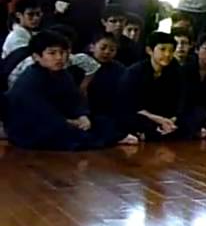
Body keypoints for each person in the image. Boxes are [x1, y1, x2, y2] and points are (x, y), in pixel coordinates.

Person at [5, 31, 135, 150]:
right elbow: (40, 112)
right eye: (52, 53)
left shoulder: (63, 74)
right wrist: (70, 122)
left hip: (62, 119)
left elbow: (74, 99)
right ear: (36, 57)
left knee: (103, 121)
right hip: (32, 126)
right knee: (62, 133)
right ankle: (110, 139)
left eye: (62, 52)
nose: (59, 57)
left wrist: (82, 116)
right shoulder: (30, 79)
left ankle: (112, 137)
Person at [120, 31, 206, 140]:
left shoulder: (176, 69)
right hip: (145, 115)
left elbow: (181, 98)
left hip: (167, 115)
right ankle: (170, 132)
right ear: (149, 50)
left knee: (199, 113)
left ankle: (155, 133)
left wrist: (173, 118)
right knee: (126, 118)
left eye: (171, 51)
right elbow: (131, 105)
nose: (167, 54)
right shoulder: (134, 72)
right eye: (163, 49)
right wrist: (158, 119)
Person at [86, 33, 125, 119]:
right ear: (92, 47)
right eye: (103, 48)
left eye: (112, 50)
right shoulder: (81, 64)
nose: (107, 52)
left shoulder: (120, 69)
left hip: (110, 112)